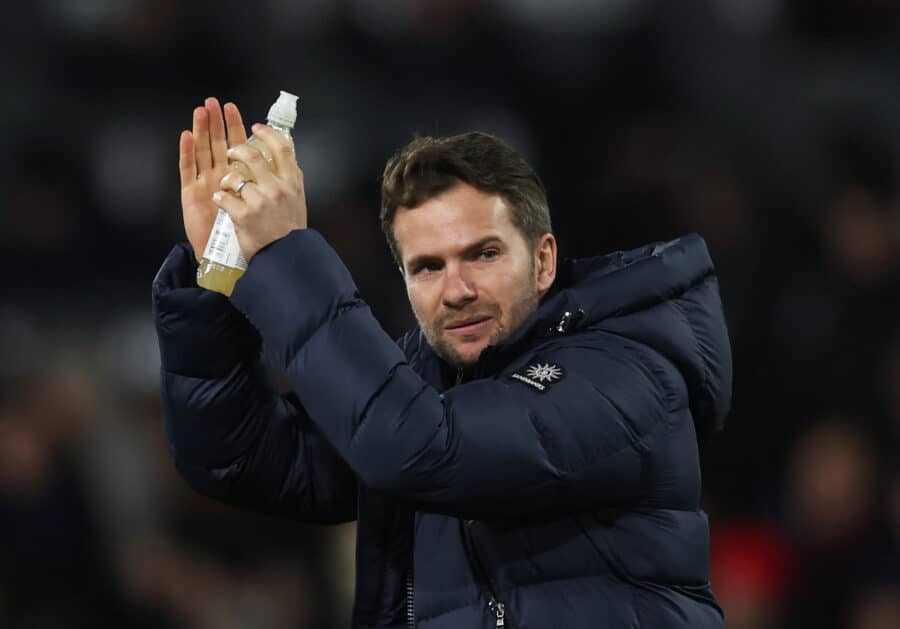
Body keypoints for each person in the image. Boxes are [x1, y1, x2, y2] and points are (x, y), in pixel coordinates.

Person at [153, 97, 733, 629]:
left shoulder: (624, 368)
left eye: (483, 254)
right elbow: (241, 459)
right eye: (428, 267)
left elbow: (427, 450)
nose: (457, 290)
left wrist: (285, 257)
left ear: (544, 261)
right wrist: (218, 276)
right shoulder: (418, 384)